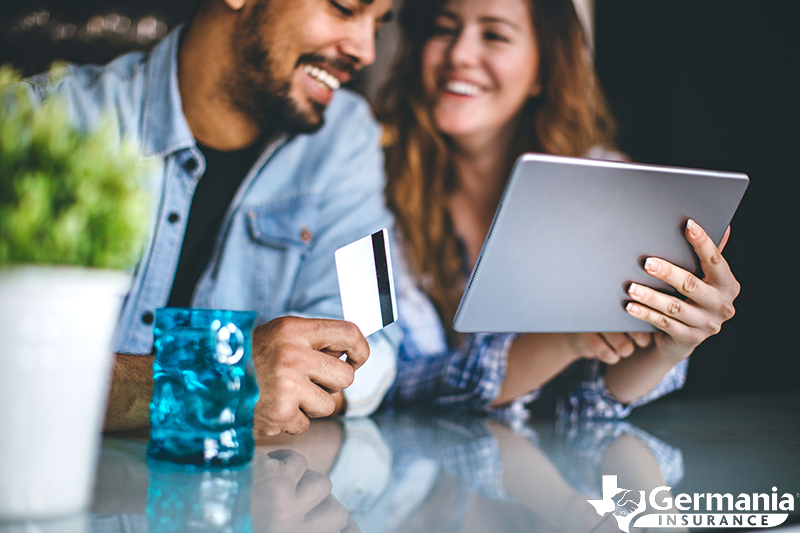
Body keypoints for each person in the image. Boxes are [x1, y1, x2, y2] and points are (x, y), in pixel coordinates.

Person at [14, 0, 396, 436]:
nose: (366, 51)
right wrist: (211, 379)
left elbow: (371, 342)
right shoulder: (38, 124)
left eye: (378, 25)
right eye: (345, 8)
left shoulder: (344, 137)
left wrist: (289, 376)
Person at [377, 0, 740, 418]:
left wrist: (669, 348)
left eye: (494, 34)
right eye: (444, 29)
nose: (459, 54)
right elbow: (390, 385)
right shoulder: (369, 189)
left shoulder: (612, 189)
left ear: (543, 70)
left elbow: (585, 399)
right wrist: (564, 341)